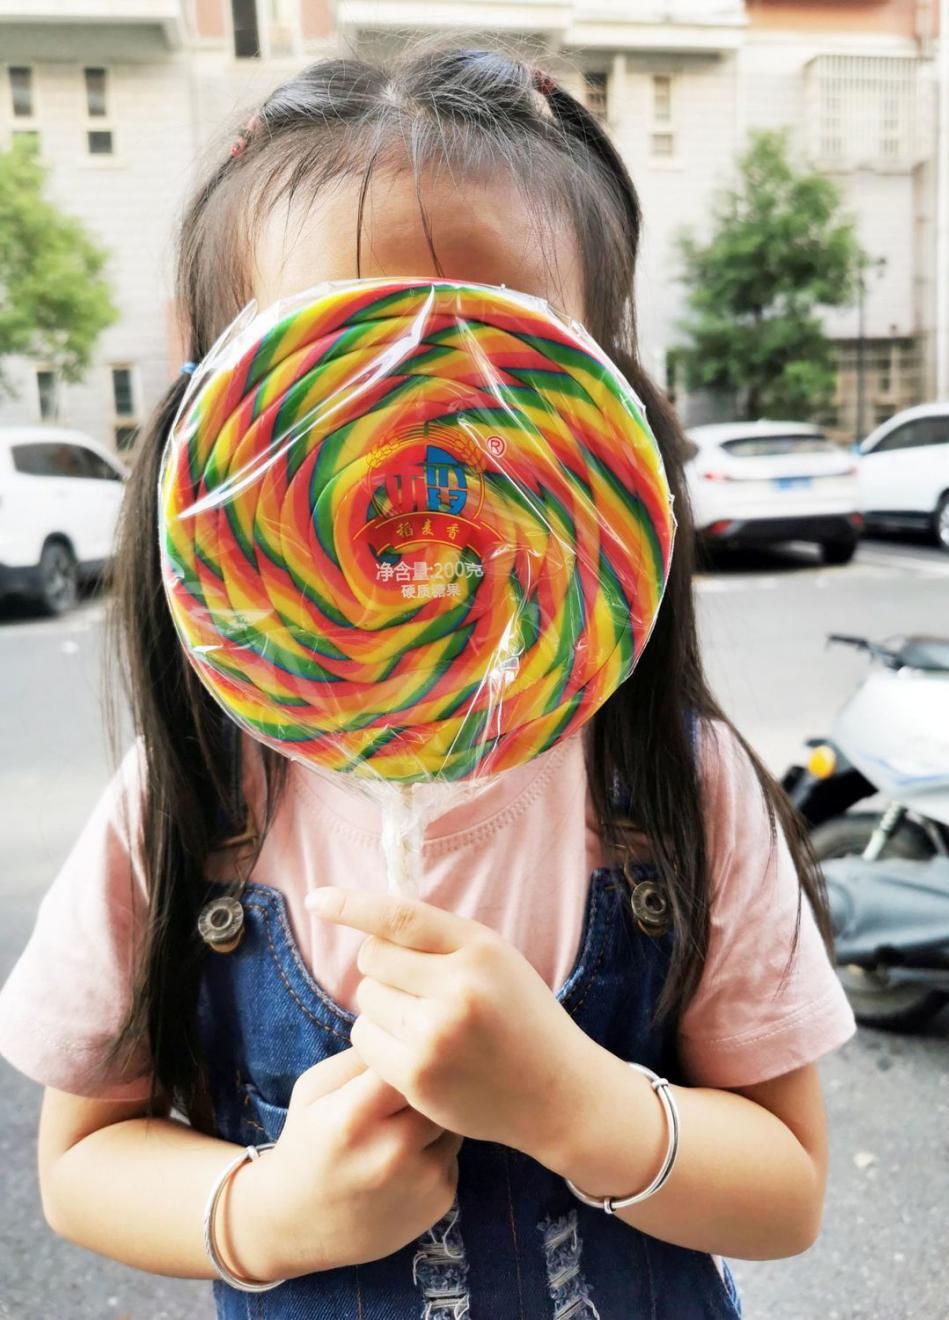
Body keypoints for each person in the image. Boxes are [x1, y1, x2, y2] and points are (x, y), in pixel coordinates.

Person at [0, 43, 856, 1319]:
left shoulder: (675, 791)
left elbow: (786, 1187)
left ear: (608, 421)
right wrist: (270, 1211)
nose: (415, 433)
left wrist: (579, 1105)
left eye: (495, 365)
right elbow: (81, 1161)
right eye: (336, 373)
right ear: (211, 423)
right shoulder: (186, 804)